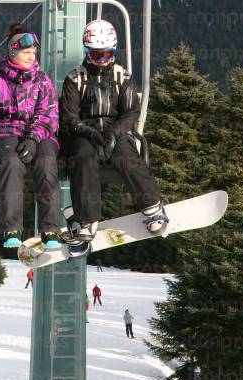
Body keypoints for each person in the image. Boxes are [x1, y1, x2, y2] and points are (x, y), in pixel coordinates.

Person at [58, 19, 168, 241]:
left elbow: (130, 112)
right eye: (98, 55)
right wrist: (88, 133)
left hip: (114, 129)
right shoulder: (74, 79)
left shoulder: (122, 76)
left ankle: (151, 205)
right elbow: (68, 116)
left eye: (107, 54)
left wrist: (114, 133)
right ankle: (87, 219)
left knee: (126, 156)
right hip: (83, 132)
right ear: (88, 52)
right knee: (83, 157)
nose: (102, 60)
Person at [0, 23, 61, 249]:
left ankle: (50, 228)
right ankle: (12, 228)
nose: (30, 57)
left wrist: (34, 137)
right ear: (12, 52)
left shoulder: (41, 81)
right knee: (10, 162)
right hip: (7, 131)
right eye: (26, 52)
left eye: (33, 53)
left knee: (46, 163)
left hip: (39, 133)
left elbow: (49, 112)